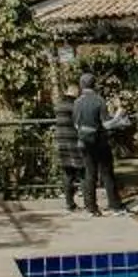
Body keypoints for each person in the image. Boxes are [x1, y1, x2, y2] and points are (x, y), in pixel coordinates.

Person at [74, 73, 115, 215]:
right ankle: (114, 204)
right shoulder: (99, 101)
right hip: (100, 141)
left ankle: (91, 207)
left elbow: (75, 123)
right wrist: (117, 118)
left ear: (81, 85)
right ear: (94, 84)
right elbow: (106, 123)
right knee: (107, 173)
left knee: (89, 174)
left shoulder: (77, 102)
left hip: (84, 142)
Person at [53, 82, 88, 213]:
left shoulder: (59, 105)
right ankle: (87, 202)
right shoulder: (74, 105)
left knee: (68, 174)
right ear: (75, 93)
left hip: (61, 142)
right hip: (74, 141)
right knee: (83, 173)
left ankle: (69, 204)